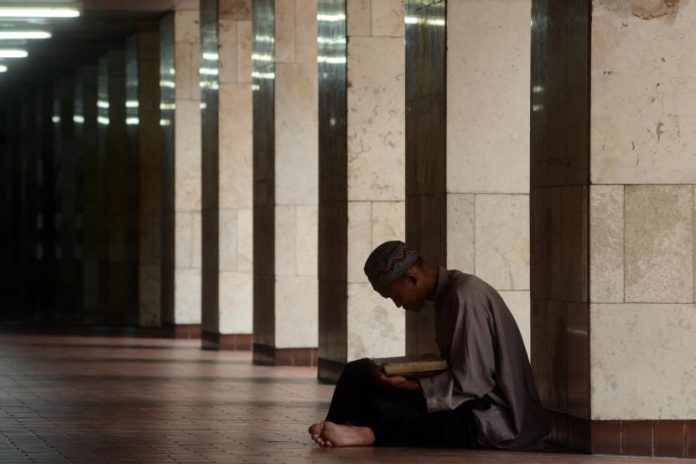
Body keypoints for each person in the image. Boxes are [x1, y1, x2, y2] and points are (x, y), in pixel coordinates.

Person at [308, 240, 549, 448]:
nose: (398, 305)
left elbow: (474, 382)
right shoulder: (447, 295)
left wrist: (412, 386)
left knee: (380, 409)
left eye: (396, 296)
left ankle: (362, 433)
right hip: (465, 402)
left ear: (412, 277)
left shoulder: (465, 297)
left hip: (486, 418)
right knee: (359, 371)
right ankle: (335, 427)